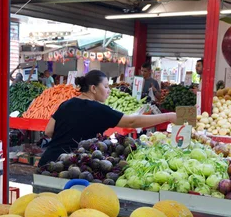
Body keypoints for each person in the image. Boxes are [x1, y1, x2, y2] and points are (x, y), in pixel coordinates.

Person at [39, 70, 177, 167]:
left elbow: (48, 131)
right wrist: (169, 116)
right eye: (105, 87)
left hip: (48, 161)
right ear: (93, 88)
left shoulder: (66, 104)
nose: (109, 90)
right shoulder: (98, 109)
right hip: (70, 166)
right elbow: (132, 121)